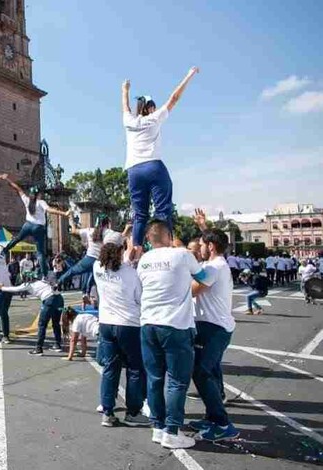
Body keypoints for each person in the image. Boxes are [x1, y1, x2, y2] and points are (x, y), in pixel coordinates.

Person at [137, 219, 207, 449]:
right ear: (169, 236)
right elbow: (203, 278)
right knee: (177, 380)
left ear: (149, 239)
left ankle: (158, 427)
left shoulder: (144, 260)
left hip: (148, 324)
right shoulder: (182, 254)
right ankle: (172, 430)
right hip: (175, 325)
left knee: (155, 378)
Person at [122, 67, 200, 255]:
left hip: (133, 171)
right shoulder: (155, 118)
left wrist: (124, 89)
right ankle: (166, 248)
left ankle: (136, 251)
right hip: (153, 166)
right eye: (153, 106)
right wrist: (189, 75)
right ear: (149, 108)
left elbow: (125, 105)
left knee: (140, 214)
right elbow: (174, 98)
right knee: (163, 208)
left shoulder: (129, 121)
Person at [188, 210, 240, 441]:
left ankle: (222, 423)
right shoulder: (218, 262)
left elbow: (191, 290)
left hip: (213, 329)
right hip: (213, 327)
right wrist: (203, 226)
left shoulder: (213, 268)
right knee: (211, 371)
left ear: (210, 247)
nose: (198, 247)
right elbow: (213, 241)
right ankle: (211, 417)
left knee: (201, 372)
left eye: (201, 244)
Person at [93, 233, 149, 428]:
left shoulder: (97, 267)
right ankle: (133, 412)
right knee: (135, 369)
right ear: (121, 250)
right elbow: (139, 299)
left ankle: (107, 412)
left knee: (110, 368)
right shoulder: (131, 273)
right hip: (129, 325)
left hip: (106, 324)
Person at [1, 178, 71, 278]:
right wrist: (64, 213)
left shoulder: (27, 200)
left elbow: (18, 189)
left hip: (27, 225)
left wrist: (8, 179)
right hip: (38, 228)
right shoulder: (41, 202)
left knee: (16, 239)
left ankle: (4, 251)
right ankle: (44, 275)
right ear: (38, 194)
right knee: (40, 252)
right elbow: (51, 210)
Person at [0, 274, 64, 356]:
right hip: (60, 299)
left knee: (42, 325)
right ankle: (58, 345)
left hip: (49, 301)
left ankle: (39, 348)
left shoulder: (28, 285)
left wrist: (1, 288)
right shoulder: (41, 281)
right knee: (56, 323)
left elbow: (15, 289)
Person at [59, 215, 116, 294]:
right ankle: (89, 294)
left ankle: (58, 283)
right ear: (107, 224)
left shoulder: (89, 230)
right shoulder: (109, 232)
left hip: (88, 259)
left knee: (72, 271)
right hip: (100, 261)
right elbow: (121, 236)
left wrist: (71, 219)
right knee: (96, 282)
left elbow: (74, 230)